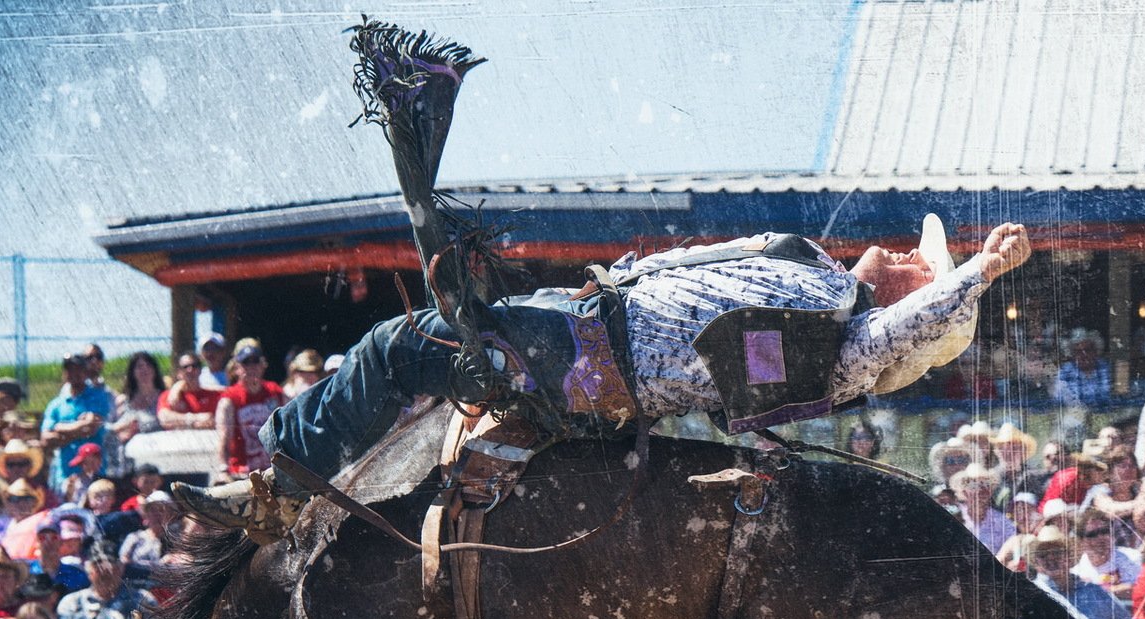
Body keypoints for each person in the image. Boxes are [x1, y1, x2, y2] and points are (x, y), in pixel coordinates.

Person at [175, 221, 1035, 540]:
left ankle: (279, 483)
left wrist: (977, 279)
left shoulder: (844, 337)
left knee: (388, 348)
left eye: (924, 265)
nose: (910, 253)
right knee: (416, 346)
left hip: (581, 360)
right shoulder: (806, 263)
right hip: (579, 319)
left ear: (915, 292)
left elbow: (895, 335)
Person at [56, 544, 143, 619]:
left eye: (110, 565)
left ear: (120, 569)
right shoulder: (70, 603)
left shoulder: (141, 600)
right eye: (97, 565)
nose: (104, 571)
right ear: (88, 570)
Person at [40, 352, 112, 492]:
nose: (74, 373)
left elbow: (92, 427)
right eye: (69, 369)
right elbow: (46, 439)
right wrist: (80, 428)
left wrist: (60, 428)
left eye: (78, 369)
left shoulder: (98, 396)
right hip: (65, 475)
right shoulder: (56, 405)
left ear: (86, 372)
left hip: (94, 474)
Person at [214, 345, 284, 481]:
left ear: (263, 365)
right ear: (237, 368)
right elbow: (224, 436)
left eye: (255, 362)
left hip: (272, 471)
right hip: (242, 472)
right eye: (246, 363)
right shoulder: (229, 398)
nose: (252, 367)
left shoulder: (275, 392)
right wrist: (223, 469)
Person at [1050, 329, 1113, 406]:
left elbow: (1114, 397)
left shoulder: (1106, 368)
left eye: (1087, 350)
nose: (1084, 355)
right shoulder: (1065, 372)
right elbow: (1059, 399)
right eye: (1078, 352)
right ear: (1072, 354)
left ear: (1096, 351)